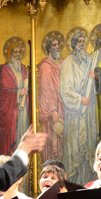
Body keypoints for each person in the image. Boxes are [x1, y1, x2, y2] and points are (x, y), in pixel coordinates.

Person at [60, 28, 97, 185]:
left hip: (88, 115)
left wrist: (95, 79)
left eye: (83, 42)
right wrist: (79, 99)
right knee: (74, 148)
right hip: (74, 115)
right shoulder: (68, 62)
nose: (81, 45)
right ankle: (73, 183)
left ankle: (88, 182)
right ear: (73, 45)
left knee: (88, 147)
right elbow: (65, 89)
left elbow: (95, 89)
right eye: (78, 42)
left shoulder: (89, 60)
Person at [0, 37, 29, 155]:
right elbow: (3, 93)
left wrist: (25, 93)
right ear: (10, 54)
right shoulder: (5, 69)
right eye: (14, 52)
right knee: (13, 138)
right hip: (11, 110)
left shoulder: (23, 69)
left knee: (22, 134)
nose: (17, 55)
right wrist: (18, 93)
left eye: (19, 52)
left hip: (23, 109)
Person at [38, 32, 65, 161]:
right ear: (49, 48)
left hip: (63, 108)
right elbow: (46, 91)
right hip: (51, 112)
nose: (57, 47)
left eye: (58, 45)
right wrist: (53, 111)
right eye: (54, 45)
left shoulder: (63, 63)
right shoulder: (45, 66)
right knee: (53, 144)